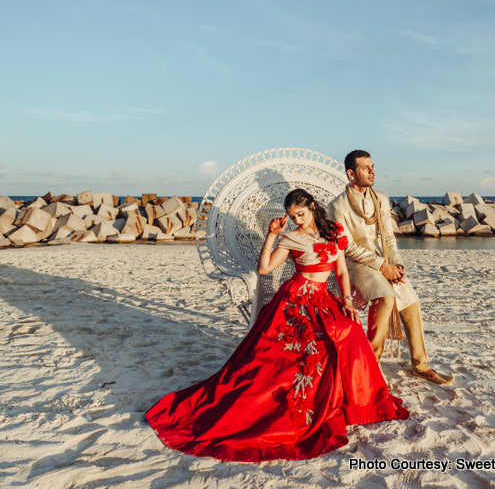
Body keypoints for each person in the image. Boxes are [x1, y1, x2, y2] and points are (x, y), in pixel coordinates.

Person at [146, 188, 409, 462]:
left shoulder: (334, 232)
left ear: (313, 207)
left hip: (325, 299)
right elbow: (264, 269)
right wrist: (272, 235)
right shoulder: (290, 237)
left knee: (351, 330)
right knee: (310, 349)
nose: (298, 220)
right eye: (293, 216)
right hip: (296, 299)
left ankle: (360, 404)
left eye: (302, 214)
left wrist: (347, 301)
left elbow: (341, 270)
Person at [328, 150, 453, 385]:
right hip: (358, 265)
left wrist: (396, 264)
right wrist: (382, 266)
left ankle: (421, 364)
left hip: (385, 260)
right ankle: (371, 363)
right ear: (351, 174)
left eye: (372, 166)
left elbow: (388, 235)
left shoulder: (382, 198)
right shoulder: (337, 206)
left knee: (411, 301)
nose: (372, 171)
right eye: (365, 167)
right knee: (385, 299)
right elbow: (349, 247)